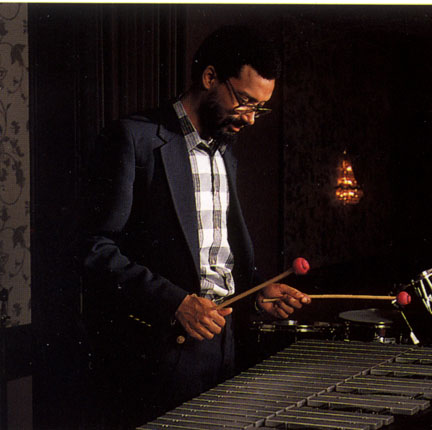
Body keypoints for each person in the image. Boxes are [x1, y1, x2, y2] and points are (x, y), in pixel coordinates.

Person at [81, 25, 310, 429]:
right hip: (159, 356)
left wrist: (256, 296)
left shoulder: (225, 153)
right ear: (209, 77)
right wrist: (175, 302)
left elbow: (214, 260)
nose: (251, 119)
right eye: (245, 102)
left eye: (260, 108)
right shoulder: (134, 139)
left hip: (225, 348)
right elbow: (94, 249)